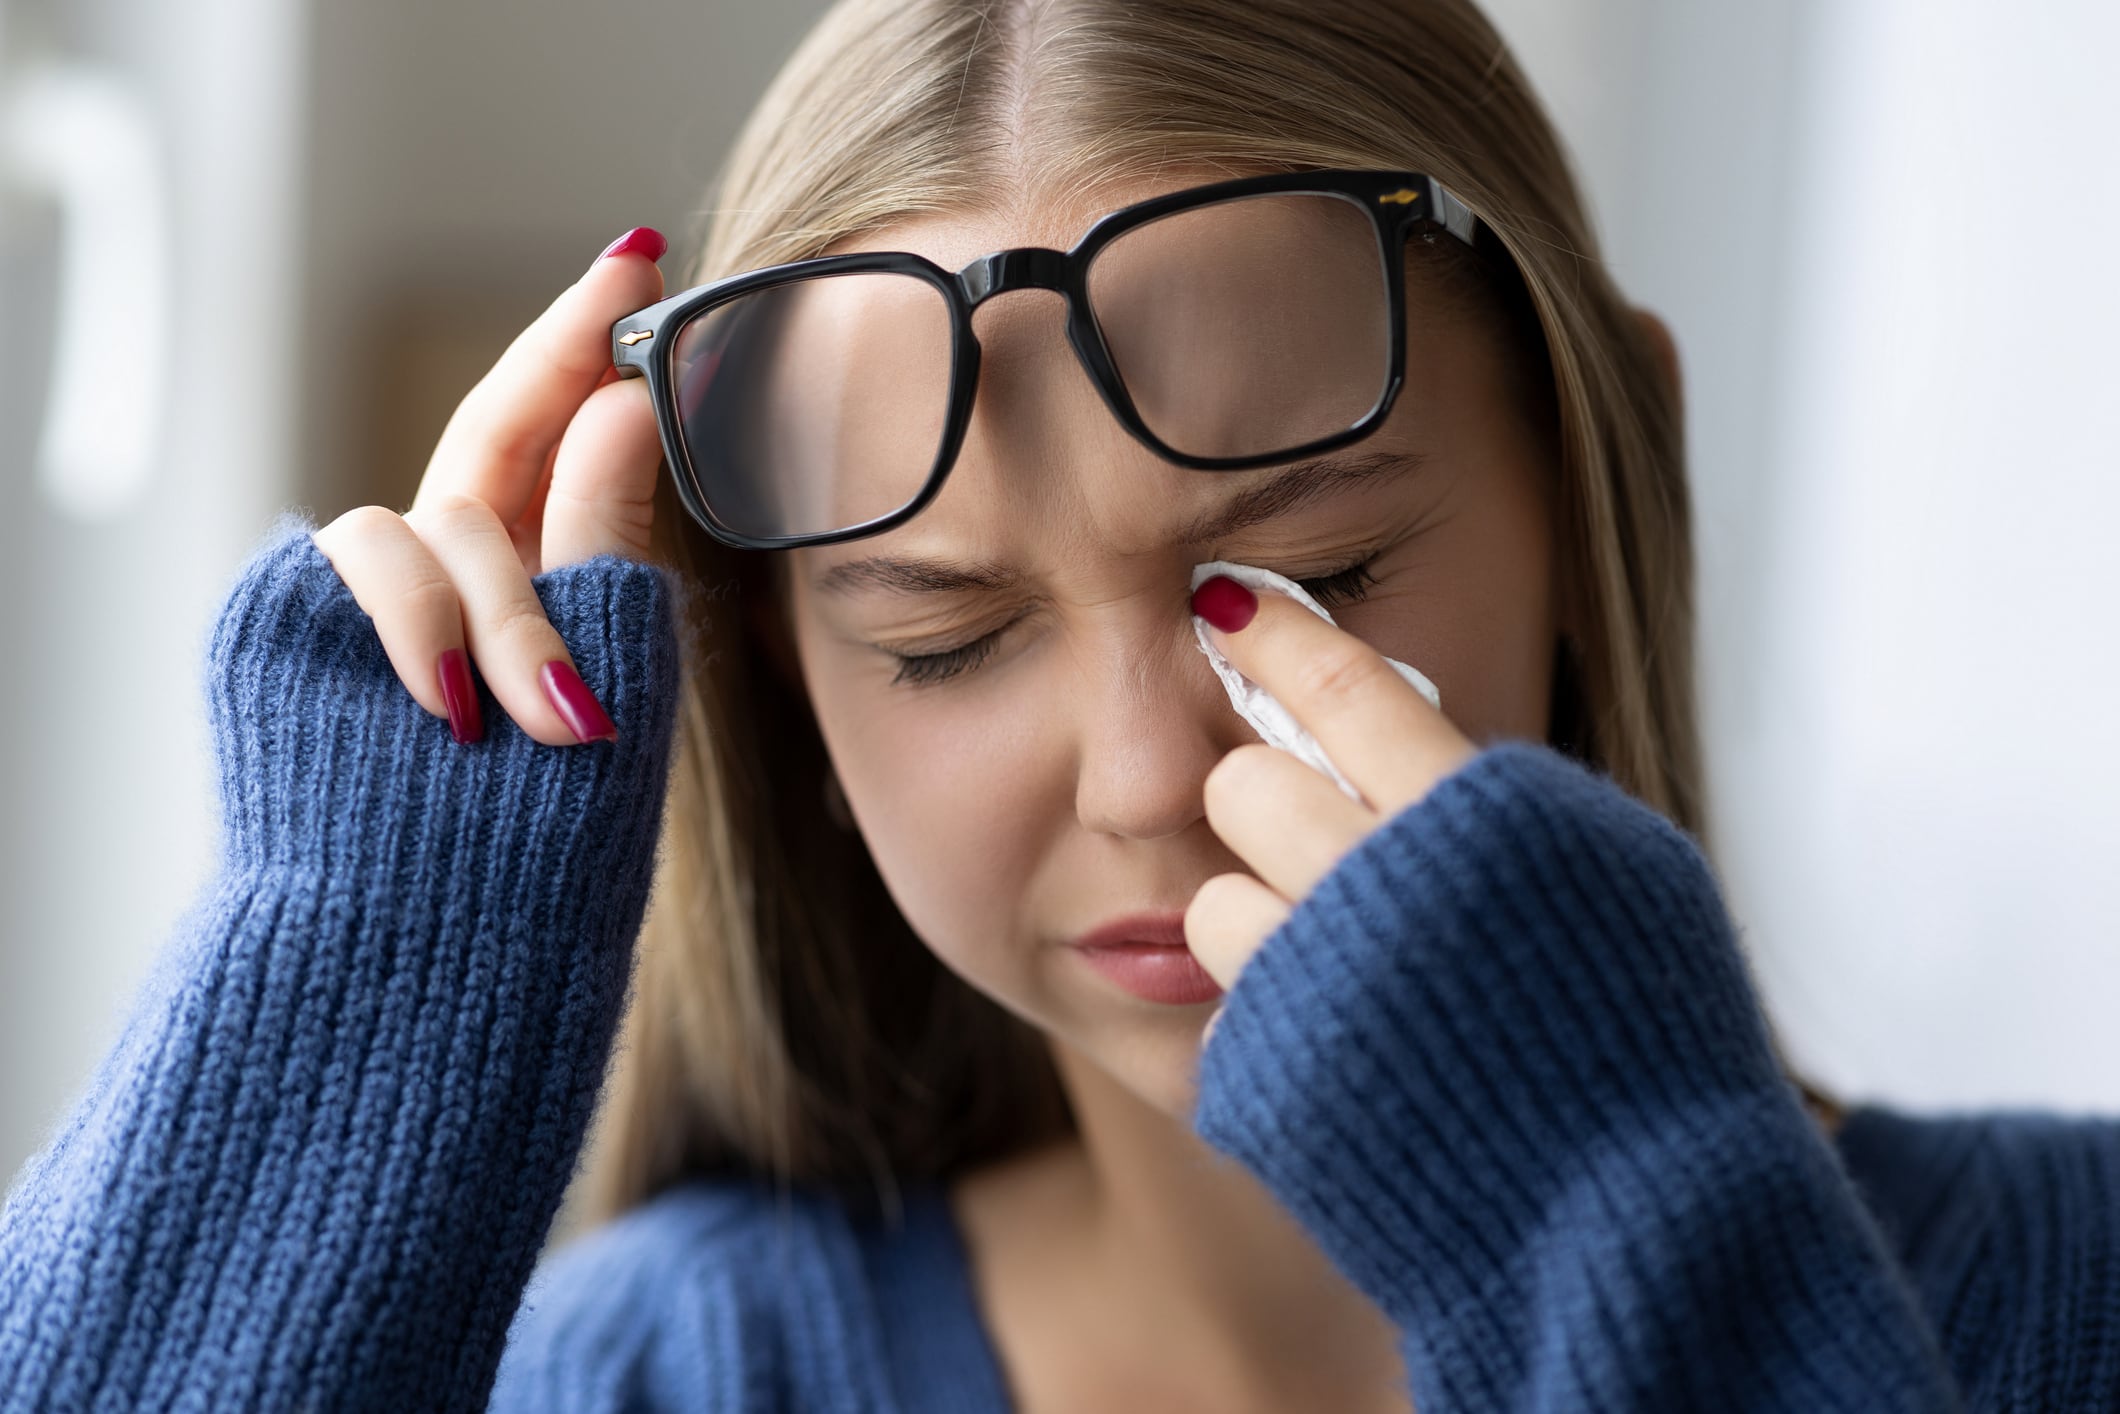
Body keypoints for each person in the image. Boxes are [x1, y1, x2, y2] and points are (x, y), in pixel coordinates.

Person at [3, 0, 2115, 1408]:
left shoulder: (2072, 1291)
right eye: (939, 634)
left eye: (1311, 583)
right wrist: (355, 978)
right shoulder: (670, 1372)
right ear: (778, 666)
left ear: (1599, 484)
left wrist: (1619, 1232)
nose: (1147, 775)